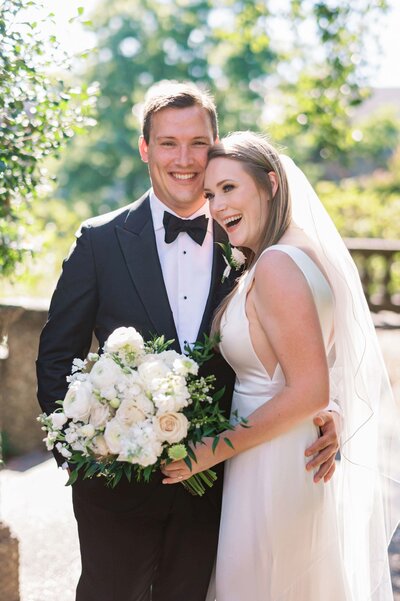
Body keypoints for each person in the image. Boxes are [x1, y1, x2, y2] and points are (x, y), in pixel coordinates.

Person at [36, 84, 340, 601]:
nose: (184, 159)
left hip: (222, 490)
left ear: (215, 144)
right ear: (145, 149)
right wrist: (88, 459)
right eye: (168, 143)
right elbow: (56, 360)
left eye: (198, 143)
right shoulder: (100, 241)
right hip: (116, 494)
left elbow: (296, 349)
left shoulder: (246, 238)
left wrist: (323, 410)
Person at [162, 131, 400, 600]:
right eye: (210, 193)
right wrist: (330, 410)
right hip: (281, 454)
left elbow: (309, 389)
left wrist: (209, 450)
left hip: (271, 466)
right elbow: (314, 369)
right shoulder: (302, 251)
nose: (217, 205)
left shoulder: (275, 264)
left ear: (271, 183)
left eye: (230, 188)